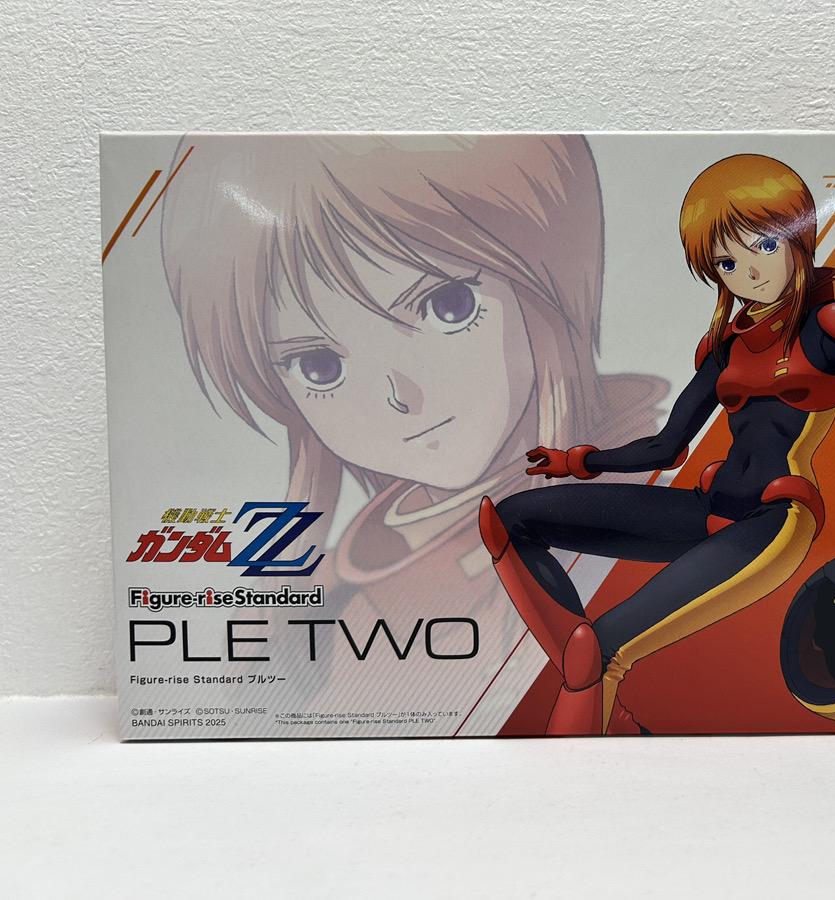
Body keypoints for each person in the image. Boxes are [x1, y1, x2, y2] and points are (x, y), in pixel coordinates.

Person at [480, 153, 835, 735]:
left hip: (775, 521)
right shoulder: (726, 347)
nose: (750, 271)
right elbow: (667, 447)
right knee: (511, 521)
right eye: (727, 261)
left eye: (765, 245)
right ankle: (604, 705)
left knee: (602, 651)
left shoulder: (831, 331)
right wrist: (577, 461)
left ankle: (588, 706)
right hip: (708, 508)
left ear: (798, 240)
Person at [160, 134, 661, 734]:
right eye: (319, 365)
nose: (399, 395)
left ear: (542, 273)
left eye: (448, 306)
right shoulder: (338, 580)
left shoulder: (643, 498)